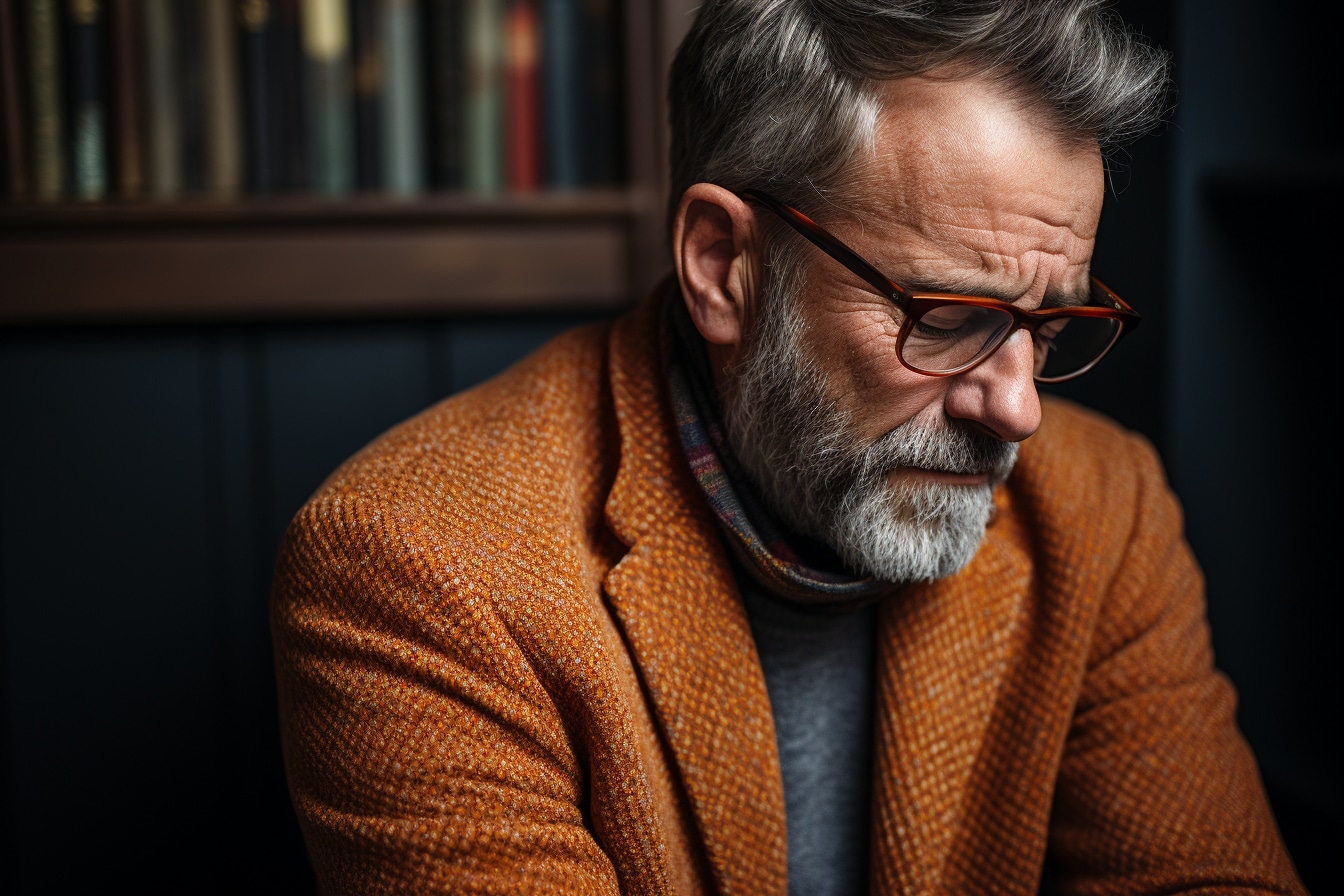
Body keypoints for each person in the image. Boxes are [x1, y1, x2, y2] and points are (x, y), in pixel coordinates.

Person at [269, 1, 1306, 892]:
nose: (1020, 409)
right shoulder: (418, 564)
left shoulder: (1103, 507)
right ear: (724, 265)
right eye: (948, 315)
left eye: (1050, 323)